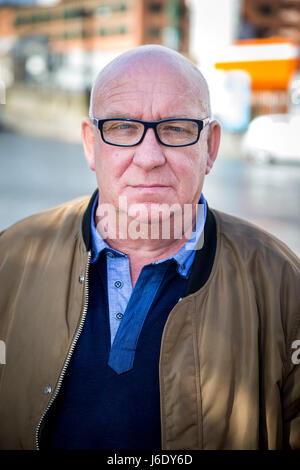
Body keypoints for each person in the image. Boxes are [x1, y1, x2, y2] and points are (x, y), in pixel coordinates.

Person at [0, 45, 299, 451]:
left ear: (210, 147)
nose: (148, 157)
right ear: (91, 144)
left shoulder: (282, 283)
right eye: (123, 127)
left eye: (176, 128)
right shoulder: (11, 259)